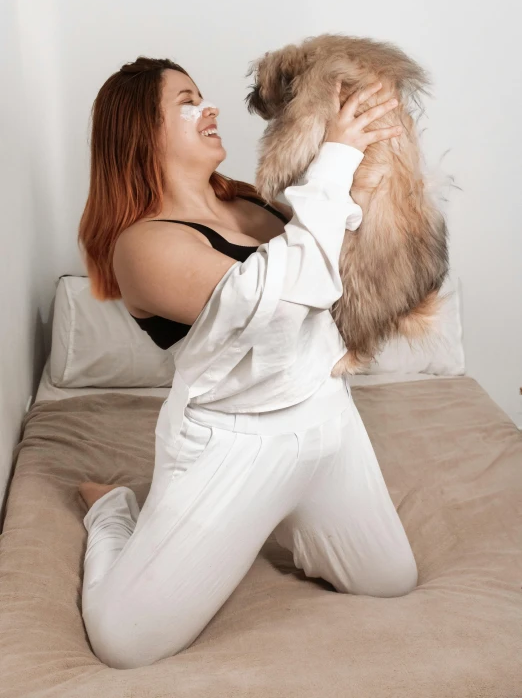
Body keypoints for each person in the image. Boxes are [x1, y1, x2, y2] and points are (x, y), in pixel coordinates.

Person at [77, 56, 417, 670]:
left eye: (204, 94)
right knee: (124, 643)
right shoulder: (142, 245)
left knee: (390, 579)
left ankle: (285, 518)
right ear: (139, 130)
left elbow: (337, 269)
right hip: (233, 446)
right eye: (185, 100)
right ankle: (114, 511)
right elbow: (280, 302)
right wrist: (333, 162)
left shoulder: (255, 205)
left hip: (322, 422)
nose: (208, 107)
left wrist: (362, 166)